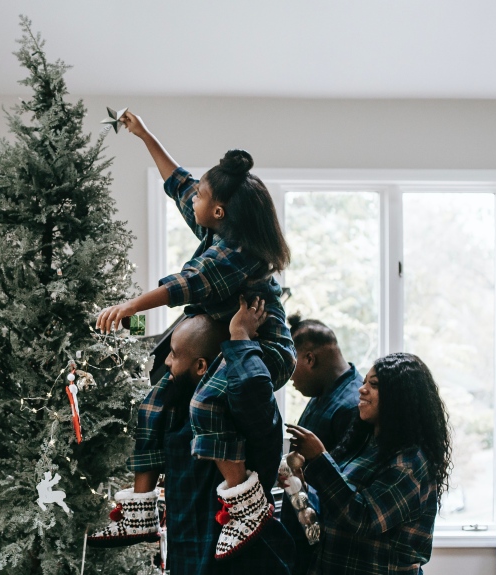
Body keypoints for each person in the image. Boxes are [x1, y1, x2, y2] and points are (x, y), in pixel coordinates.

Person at [91, 111, 296, 557]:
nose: (195, 199)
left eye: (203, 196)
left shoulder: (234, 254)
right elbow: (179, 183)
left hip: (264, 348)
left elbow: (181, 286)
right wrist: (145, 135)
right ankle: (140, 511)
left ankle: (246, 502)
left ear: (218, 210)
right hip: (230, 339)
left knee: (205, 402)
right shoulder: (217, 223)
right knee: (152, 404)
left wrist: (130, 307)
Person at [94, 304, 294, 574]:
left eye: (174, 355)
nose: (166, 362)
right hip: (187, 557)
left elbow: (252, 383)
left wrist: (240, 336)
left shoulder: (245, 410)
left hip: (244, 563)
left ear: (201, 366)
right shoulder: (177, 409)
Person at [286, 353, 453, 575]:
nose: (361, 389)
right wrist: (301, 485)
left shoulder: (409, 464)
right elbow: (338, 510)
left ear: (399, 396)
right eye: (364, 382)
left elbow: (361, 519)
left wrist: (319, 458)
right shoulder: (365, 446)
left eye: (373, 385)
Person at [281, 315, 362, 574]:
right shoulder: (322, 394)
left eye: (290, 366)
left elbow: (345, 487)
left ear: (309, 359)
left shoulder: (352, 407)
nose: (289, 378)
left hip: (325, 546)